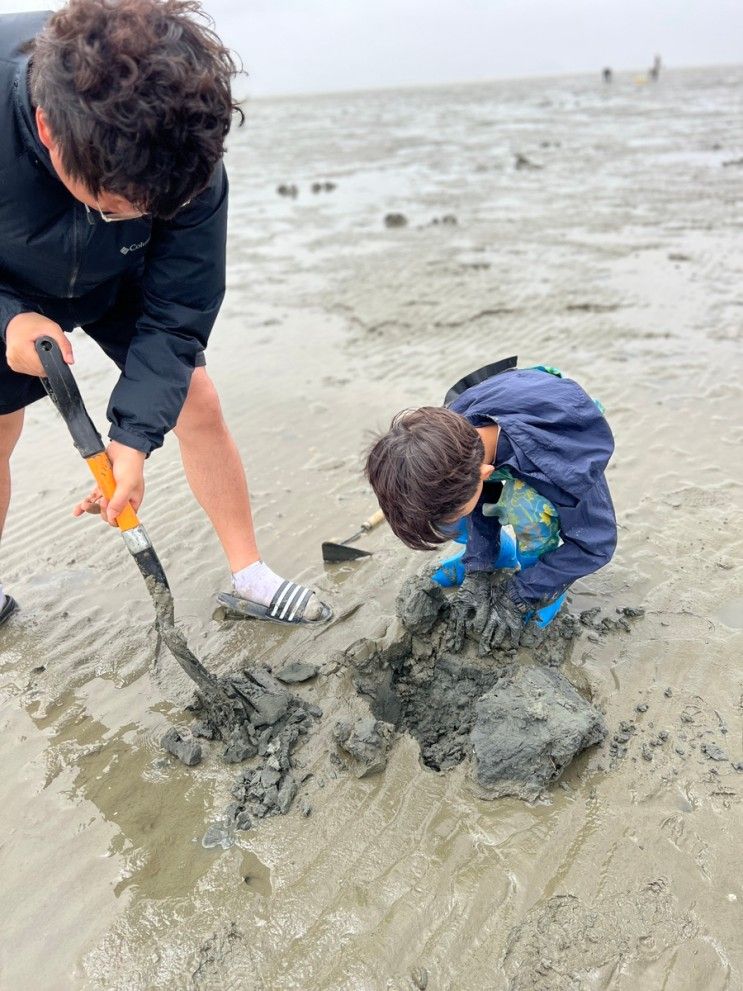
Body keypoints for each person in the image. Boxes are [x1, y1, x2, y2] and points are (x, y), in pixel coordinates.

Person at [0, 0, 331, 629]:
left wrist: (131, 441)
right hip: (8, 274)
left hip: (120, 270)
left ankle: (251, 576)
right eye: (121, 203)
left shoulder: (181, 148)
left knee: (195, 397)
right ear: (47, 130)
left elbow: (180, 309)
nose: (144, 209)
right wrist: (7, 321)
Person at [365, 358, 617, 654]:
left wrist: (521, 594)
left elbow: (597, 543)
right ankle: (494, 556)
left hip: (555, 429)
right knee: (443, 516)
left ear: (485, 474)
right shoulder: (444, 432)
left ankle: (541, 572)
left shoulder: (564, 464)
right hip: (499, 423)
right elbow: (461, 497)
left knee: (529, 513)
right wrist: (478, 569)